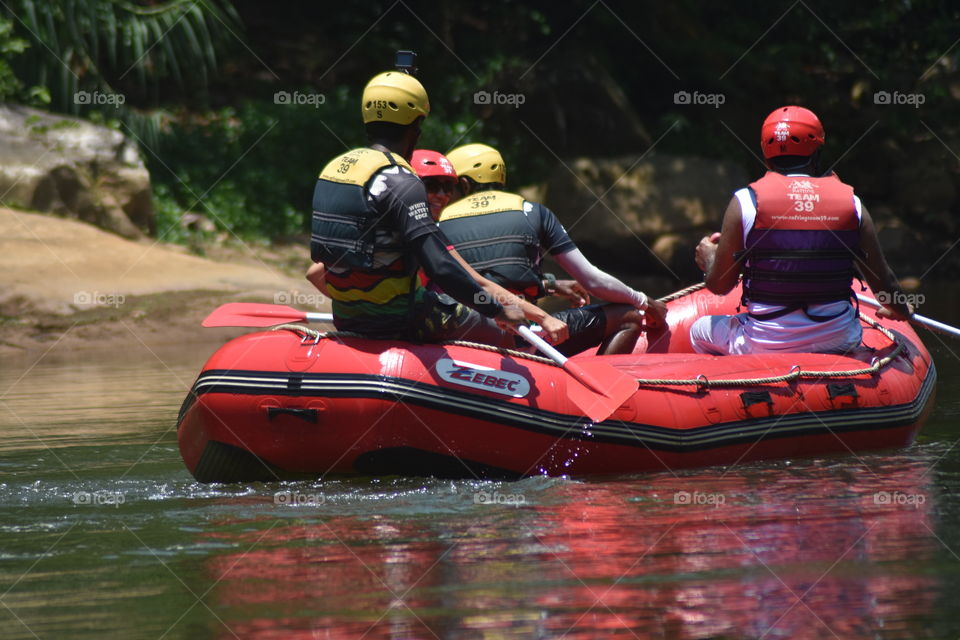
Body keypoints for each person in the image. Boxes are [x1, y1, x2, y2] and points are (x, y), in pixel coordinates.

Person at [308, 71, 531, 345]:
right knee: (517, 338)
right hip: (404, 319)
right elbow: (440, 267)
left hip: (347, 317)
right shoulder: (401, 179)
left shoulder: (334, 169)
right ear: (416, 125)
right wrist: (497, 310)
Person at [691, 105, 913, 355]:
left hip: (766, 344)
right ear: (817, 152)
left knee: (698, 329)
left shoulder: (744, 202)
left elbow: (720, 285)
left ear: (765, 155)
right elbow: (884, 281)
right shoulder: (852, 203)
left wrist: (710, 257)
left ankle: (735, 386)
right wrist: (900, 310)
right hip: (839, 340)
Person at [439, 143, 667, 355]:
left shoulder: (436, 224)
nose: (447, 195)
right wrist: (643, 301)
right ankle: (597, 395)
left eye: (450, 186)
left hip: (463, 336)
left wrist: (549, 285)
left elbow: (480, 278)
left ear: (465, 184)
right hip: (525, 339)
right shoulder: (532, 211)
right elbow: (593, 281)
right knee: (628, 316)